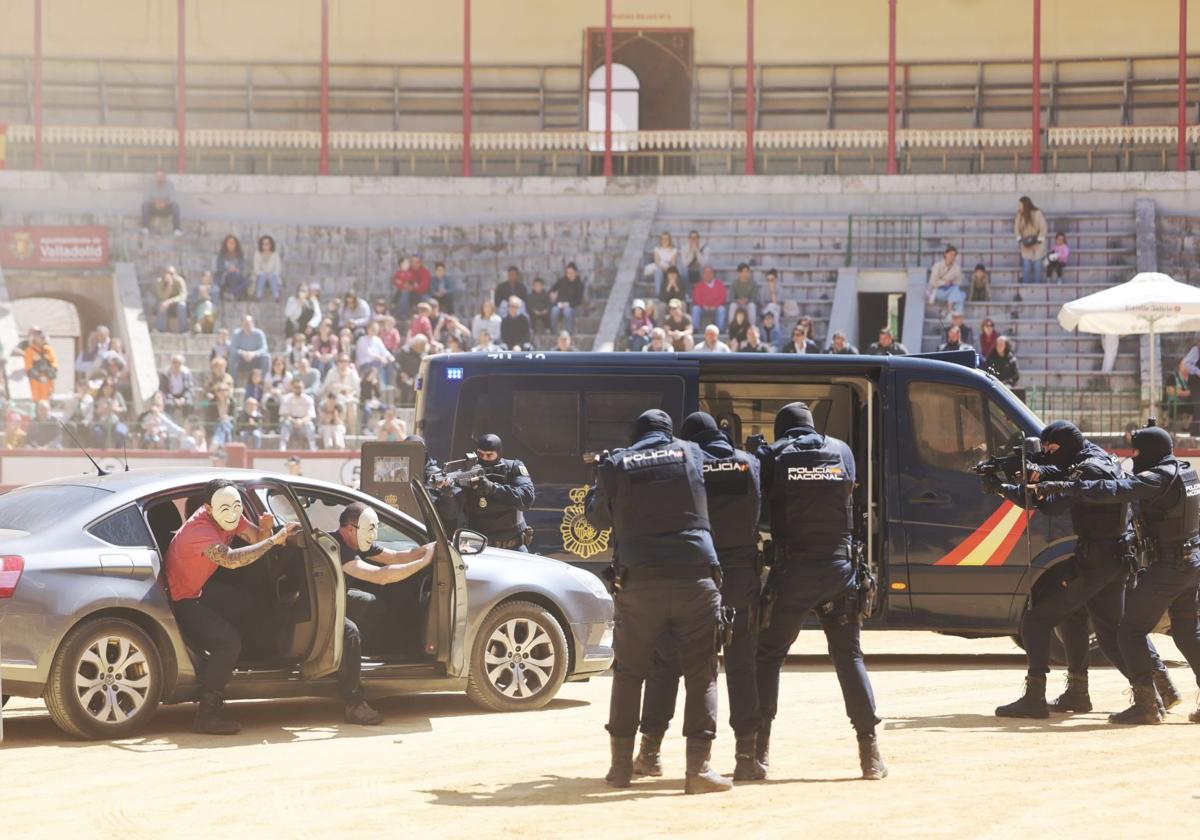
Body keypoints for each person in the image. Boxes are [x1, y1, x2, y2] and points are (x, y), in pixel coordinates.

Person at [584, 409, 731, 795]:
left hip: (640, 583)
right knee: (701, 674)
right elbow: (726, 463)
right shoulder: (692, 453)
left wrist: (598, 476)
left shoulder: (617, 462)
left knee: (630, 674)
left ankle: (620, 769)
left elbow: (597, 519)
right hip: (695, 580)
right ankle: (698, 770)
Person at [752, 402, 886, 780]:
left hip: (793, 571)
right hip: (839, 572)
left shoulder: (775, 456)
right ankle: (870, 755)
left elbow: (757, 501)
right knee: (849, 658)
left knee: (769, 656)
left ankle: (758, 756)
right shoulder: (841, 451)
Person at [1035, 425, 1200, 725]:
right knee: (1188, 633)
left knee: (1128, 631)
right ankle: (1159, 693)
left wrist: (1066, 486)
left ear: (1150, 450)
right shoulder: (1185, 471)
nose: (1134, 457)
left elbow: (1117, 490)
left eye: (1137, 451)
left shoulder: (1159, 476)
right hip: (1190, 562)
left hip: (1170, 566)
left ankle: (1146, 705)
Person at [634, 412, 764, 782]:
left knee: (668, 664)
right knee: (741, 666)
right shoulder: (750, 464)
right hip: (740, 577)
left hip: (694, 574)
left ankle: (651, 752)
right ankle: (745, 757)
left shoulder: (686, 464)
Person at [990, 422, 1144, 719]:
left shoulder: (1088, 469)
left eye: (1052, 447)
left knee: (1036, 619)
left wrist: (1003, 488)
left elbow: (1051, 506)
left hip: (1096, 560)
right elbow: (1058, 469)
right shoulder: (1098, 457)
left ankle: (1034, 698)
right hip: (1114, 556)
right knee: (1095, 627)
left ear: (1068, 444)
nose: (1048, 452)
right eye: (1045, 448)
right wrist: (1032, 471)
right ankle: (1101, 695)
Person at [164, 479, 302, 733]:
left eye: (235, 506)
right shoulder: (198, 530)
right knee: (227, 642)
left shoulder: (229, 513)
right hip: (181, 600)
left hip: (200, 590)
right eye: (225, 508)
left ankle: (246, 662)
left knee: (248, 605)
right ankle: (207, 713)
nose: (232, 513)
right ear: (208, 507)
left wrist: (266, 530)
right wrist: (273, 540)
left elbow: (254, 541)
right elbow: (231, 560)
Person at [329, 502, 436, 725]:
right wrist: (423, 563)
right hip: (319, 604)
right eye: (369, 529)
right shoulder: (336, 547)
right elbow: (380, 576)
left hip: (336, 595)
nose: (373, 535)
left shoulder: (357, 541)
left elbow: (396, 557)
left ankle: (354, 659)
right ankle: (354, 702)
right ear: (350, 528)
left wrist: (426, 550)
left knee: (372, 604)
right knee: (350, 632)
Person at [448, 434, 536, 551]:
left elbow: (527, 498)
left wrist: (493, 488)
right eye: (480, 454)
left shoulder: (513, 468)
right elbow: (452, 510)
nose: (484, 458)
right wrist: (447, 493)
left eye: (489, 455)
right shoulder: (467, 474)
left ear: (498, 454)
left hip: (513, 546)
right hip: (477, 547)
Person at [1015, 196, 1049, 285]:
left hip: (1037, 243)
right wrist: (1021, 241)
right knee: (1026, 266)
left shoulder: (1037, 213)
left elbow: (1043, 228)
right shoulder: (1019, 215)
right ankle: (1026, 287)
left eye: (1021, 205)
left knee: (1038, 266)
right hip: (1025, 243)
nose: (1019, 207)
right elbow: (1016, 228)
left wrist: (1038, 242)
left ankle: (1037, 288)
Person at [230, 315, 271, 384]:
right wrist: (243, 353)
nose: (247, 325)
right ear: (241, 324)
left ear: (253, 324)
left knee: (266, 357)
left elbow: (264, 348)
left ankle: (263, 381)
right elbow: (233, 348)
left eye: (249, 323)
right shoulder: (236, 333)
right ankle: (233, 382)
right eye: (245, 323)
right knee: (232, 357)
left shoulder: (259, 333)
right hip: (241, 358)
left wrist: (253, 354)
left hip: (256, 358)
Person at [279, 377, 317, 451]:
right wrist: (294, 421)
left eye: (301, 387)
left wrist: (301, 421)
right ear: (292, 388)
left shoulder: (308, 399)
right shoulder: (286, 398)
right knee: (285, 423)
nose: (299, 389)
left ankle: (312, 446)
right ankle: (282, 446)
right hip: (290, 422)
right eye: (296, 387)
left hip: (303, 423)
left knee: (310, 425)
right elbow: (284, 414)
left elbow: (310, 415)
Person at [926, 245, 965, 316]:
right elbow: (933, 282)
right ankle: (951, 311)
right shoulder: (937, 266)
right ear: (945, 254)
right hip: (937, 291)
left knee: (962, 294)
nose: (952, 257)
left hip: (949, 291)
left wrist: (951, 283)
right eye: (950, 254)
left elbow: (959, 282)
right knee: (957, 292)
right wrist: (944, 282)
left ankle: (955, 313)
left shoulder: (956, 268)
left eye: (954, 255)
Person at [140, 169, 182, 235]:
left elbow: (173, 198)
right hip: (154, 208)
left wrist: (164, 203)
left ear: (164, 177)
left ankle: (176, 229)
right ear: (155, 177)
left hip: (165, 208)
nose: (160, 178)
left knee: (175, 206)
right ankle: (145, 228)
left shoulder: (170, 185)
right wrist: (155, 202)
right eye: (158, 176)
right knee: (145, 205)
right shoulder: (150, 185)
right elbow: (146, 197)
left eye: (161, 176)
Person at [23, 327, 57, 403]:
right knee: (35, 404)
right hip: (35, 385)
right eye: (38, 335)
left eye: (42, 335)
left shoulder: (49, 350)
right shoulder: (29, 350)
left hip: (48, 384)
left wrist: (48, 375)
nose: (41, 337)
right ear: (34, 338)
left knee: (46, 404)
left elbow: (54, 366)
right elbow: (28, 368)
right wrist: (39, 377)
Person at [551, 262, 585, 335]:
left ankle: (568, 333)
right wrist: (554, 295)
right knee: (554, 311)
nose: (569, 275)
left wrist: (568, 304)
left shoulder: (579, 284)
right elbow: (553, 289)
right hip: (559, 304)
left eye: (571, 272)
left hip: (572, 306)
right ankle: (554, 332)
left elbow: (579, 300)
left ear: (575, 273)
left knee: (567, 312)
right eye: (568, 273)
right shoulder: (562, 281)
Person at [691, 268, 728, 333]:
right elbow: (696, 298)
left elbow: (722, 297)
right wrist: (703, 306)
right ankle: (695, 329)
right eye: (706, 273)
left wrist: (715, 306)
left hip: (715, 308)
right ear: (703, 275)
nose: (708, 275)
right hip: (703, 308)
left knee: (721, 309)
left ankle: (720, 330)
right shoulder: (699, 285)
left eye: (709, 273)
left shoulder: (719, 284)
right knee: (695, 309)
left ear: (713, 274)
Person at [153, 267, 189, 333]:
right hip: (164, 303)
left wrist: (170, 301)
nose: (172, 276)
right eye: (169, 274)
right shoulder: (159, 282)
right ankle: (160, 329)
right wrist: (169, 286)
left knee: (182, 305)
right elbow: (161, 297)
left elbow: (183, 296)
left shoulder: (180, 280)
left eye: (173, 273)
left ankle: (184, 330)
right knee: (161, 304)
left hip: (176, 303)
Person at [215, 235, 248, 301]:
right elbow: (219, 267)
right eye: (229, 242)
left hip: (237, 275)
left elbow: (242, 266)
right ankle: (233, 294)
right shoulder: (221, 255)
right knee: (233, 275)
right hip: (225, 276)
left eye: (233, 243)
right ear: (226, 244)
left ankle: (230, 293)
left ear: (236, 244)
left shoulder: (239, 255)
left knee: (249, 280)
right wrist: (228, 269)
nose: (231, 244)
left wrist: (235, 269)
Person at [647, 232, 679, 298]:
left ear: (669, 240)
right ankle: (658, 293)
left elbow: (673, 263)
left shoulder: (674, 250)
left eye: (666, 239)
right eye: (663, 239)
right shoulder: (657, 249)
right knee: (658, 271)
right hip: (660, 268)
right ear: (660, 240)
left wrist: (668, 270)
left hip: (669, 269)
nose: (664, 241)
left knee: (674, 271)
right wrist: (663, 268)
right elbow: (657, 262)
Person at [253, 235, 282, 302]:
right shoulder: (257, 253)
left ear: (271, 244)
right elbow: (256, 269)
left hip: (272, 276)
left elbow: (278, 269)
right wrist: (264, 274)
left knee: (272, 276)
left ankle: (276, 296)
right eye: (263, 244)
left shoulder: (275, 254)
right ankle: (258, 296)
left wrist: (270, 275)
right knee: (262, 276)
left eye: (267, 244)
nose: (265, 246)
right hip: (260, 276)